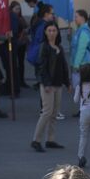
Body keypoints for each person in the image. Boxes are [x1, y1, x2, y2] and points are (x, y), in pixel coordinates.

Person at [31, 22, 69, 152]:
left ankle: (50, 139)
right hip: (48, 85)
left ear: (57, 32)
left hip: (58, 84)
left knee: (54, 113)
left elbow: (63, 66)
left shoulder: (59, 47)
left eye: (54, 30)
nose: (52, 33)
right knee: (46, 112)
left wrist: (67, 83)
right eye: (49, 30)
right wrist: (46, 83)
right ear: (45, 33)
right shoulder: (44, 47)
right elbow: (42, 67)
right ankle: (36, 140)